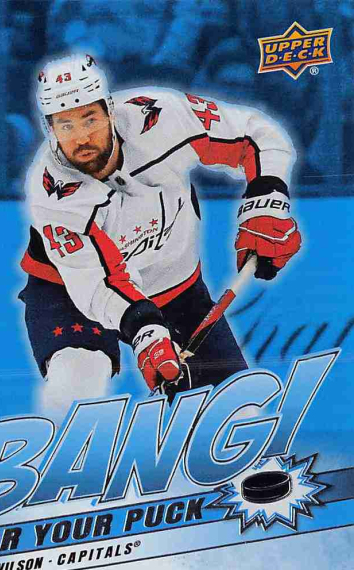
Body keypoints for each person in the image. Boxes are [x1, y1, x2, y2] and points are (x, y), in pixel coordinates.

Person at [18, 54, 301, 415]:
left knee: (237, 411)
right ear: (50, 129)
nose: (82, 137)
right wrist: (147, 333)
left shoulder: (162, 116)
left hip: (173, 282)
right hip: (72, 291)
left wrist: (266, 203)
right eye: (66, 125)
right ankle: (68, 448)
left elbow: (256, 134)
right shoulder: (51, 191)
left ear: (109, 110)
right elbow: (98, 285)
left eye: (90, 118)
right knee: (76, 384)